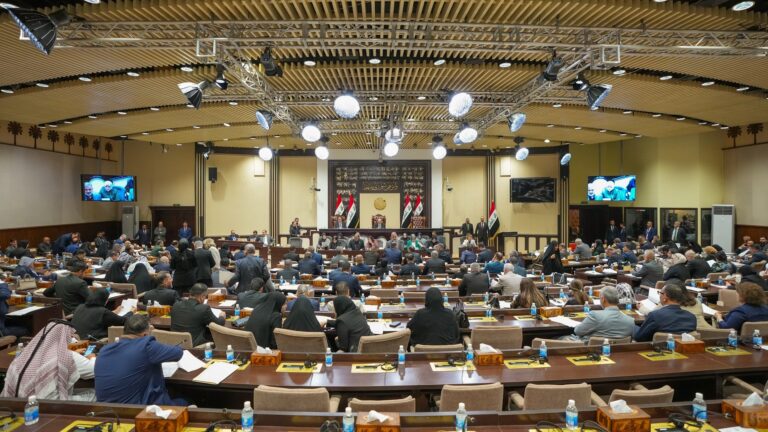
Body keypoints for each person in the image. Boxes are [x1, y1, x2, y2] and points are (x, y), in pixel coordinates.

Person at [95, 314, 185, 406]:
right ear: (145, 335)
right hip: (140, 411)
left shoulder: (104, 350)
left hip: (106, 411)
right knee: (186, 399)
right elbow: (178, 353)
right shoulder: (146, 346)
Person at [1, 321, 95, 401]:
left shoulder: (27, 351)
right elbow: (94, 370)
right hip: (49, 404)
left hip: (18, 400)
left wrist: (76, 345)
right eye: (70, 336)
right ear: (65, 337)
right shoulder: (64, 355)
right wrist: (91, 356)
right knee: (94, 394)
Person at [571, 286, 635, 341]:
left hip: (592, 350)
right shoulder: (631, 321)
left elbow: (578, 331)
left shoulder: (595, 315)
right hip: (619, 350)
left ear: (603, 299)